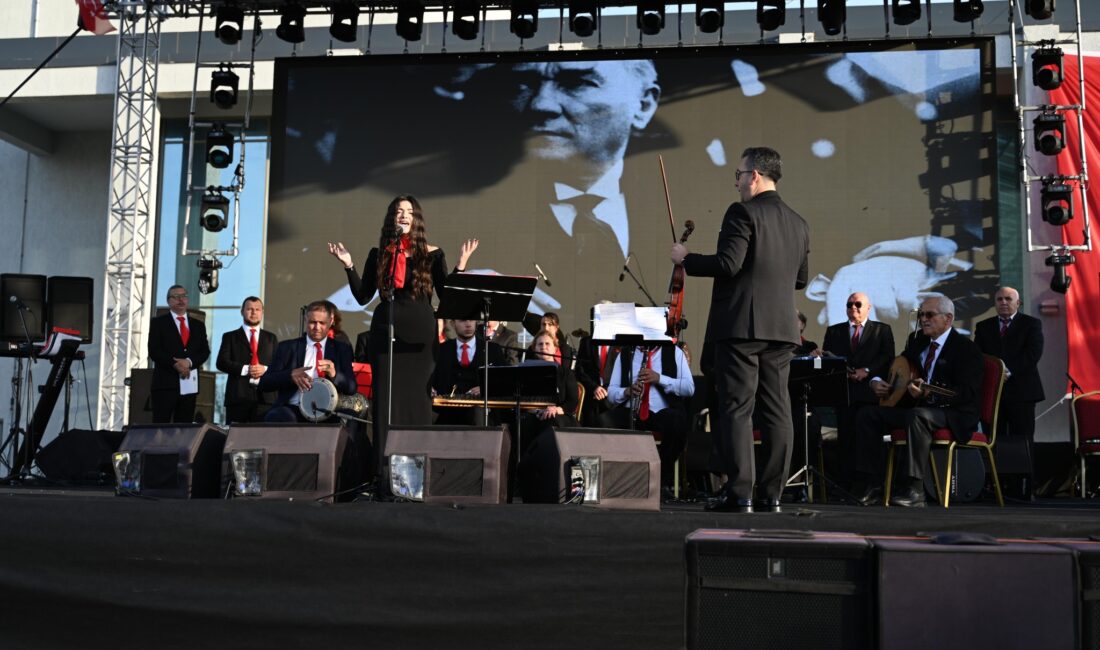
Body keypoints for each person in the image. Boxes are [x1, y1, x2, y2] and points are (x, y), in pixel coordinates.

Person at [671, 146, 810, 514]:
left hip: (742, 328)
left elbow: (728, 264)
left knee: (737, 409)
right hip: (781, 329)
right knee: (779, 411)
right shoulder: (798, 222)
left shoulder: (742, 212)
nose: (735, 182)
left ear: (755, 176)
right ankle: (772, 494)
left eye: (738, 174)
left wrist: (687, 260)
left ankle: (740, 492)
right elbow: (801, 279)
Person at [328, 195, 478, 478]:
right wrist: (348, 265)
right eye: (399, 211)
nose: (404, 215)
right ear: (391, 218)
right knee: (386, 402)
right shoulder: (380, 253)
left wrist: (461, 265)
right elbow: (363, 296)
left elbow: (447, 297)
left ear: (417, 219)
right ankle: (384, 476)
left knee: (418, 401)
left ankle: (416, 474)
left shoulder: (433, 254)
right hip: (386, 332)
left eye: (409, 211)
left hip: (420, 336)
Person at [851, 295, 984, 507]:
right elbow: (897, 367)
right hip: (920, 410)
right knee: (868, 415)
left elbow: (966, 393)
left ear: (948, 319)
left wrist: (929, 393)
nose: (923, 319)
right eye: (921, 314)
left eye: (929, 315)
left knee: (917, 416)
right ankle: (874, 485)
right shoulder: (918, 341)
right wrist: (877, 381)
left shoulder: (966, 349)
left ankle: (915, 489)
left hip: (954, 414)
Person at [813, 292, 895, 488]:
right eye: (849, 304)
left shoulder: (882, 330)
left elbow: (887, 357)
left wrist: (866, 371)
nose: (854, 308)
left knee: (867, 439)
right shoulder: (835, 331)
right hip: (845, 393)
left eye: (858, 304)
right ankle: (846, 485)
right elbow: (829, 361)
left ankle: (870, 483)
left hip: (869, 394)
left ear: (869, 307)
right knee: (846, 440)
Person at [974, 287, 1044, 476]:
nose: (1003, 302)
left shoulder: (1031, 324)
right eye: (999, 299)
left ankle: (1023, 484)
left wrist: (1006, 370)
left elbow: (1032, 354)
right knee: (994, 439)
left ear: (1018, 303)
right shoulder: (983, 326)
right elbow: (978, 356)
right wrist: (995, 373)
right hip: (992, 394)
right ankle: (996, 484)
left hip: (1022, 393)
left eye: (1008, 299)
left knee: (1022, 439)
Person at [606, 343, 695, 491]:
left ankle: (660, 481)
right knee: (604, 421)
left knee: (676, 423)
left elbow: (689, 388)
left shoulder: (675, 352)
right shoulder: (625, 353)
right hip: (632, 410)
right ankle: (616, 481)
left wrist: (660, 379)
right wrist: (627, 391)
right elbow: (611, 393)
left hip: (661, 412)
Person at [259, 300, 357, 423]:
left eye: (322, 323)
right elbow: (264, 383)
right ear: (306, 320)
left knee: (351, 419)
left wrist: (334, 374)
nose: (317, 327)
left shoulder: (342, 349)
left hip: (329, 409)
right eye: (312, 322)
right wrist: (290, 375)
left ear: (331, 322)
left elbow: (352, 388)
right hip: (294, 408)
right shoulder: (287, 348)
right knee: (277, 416)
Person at [147, 285, 211, 423]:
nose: (181, 300)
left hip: (189, 385)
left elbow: (204, 351)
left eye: (184, 296)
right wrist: (175, 364)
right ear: (169, 301)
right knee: (161, 427)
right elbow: (154, 350)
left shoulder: (198, 325)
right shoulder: (158, 323)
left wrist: (188, 362)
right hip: (165, 384)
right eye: (176, 297)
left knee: (184, 429)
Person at [216, 296, 278, 424]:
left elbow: (279, 366)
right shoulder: (230, 337)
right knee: (235, 440)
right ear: (242, 311)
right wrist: (246, 369)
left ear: (262, 312)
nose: (254, 312)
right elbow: (221, 362)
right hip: (238, 398)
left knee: (263, 439)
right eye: (250, 309)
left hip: (265, 400)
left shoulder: (271, 338)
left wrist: (264, 369)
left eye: (257, 309)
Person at [432, 319, 506, 426]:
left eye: (471, 320)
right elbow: (431, 379)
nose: (468, 324)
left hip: (482, 416)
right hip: (447, 415)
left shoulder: (492, 350)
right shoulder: (441, 350)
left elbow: (504, 382)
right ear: (453, 324)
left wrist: (485, 388)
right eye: (463, 321)